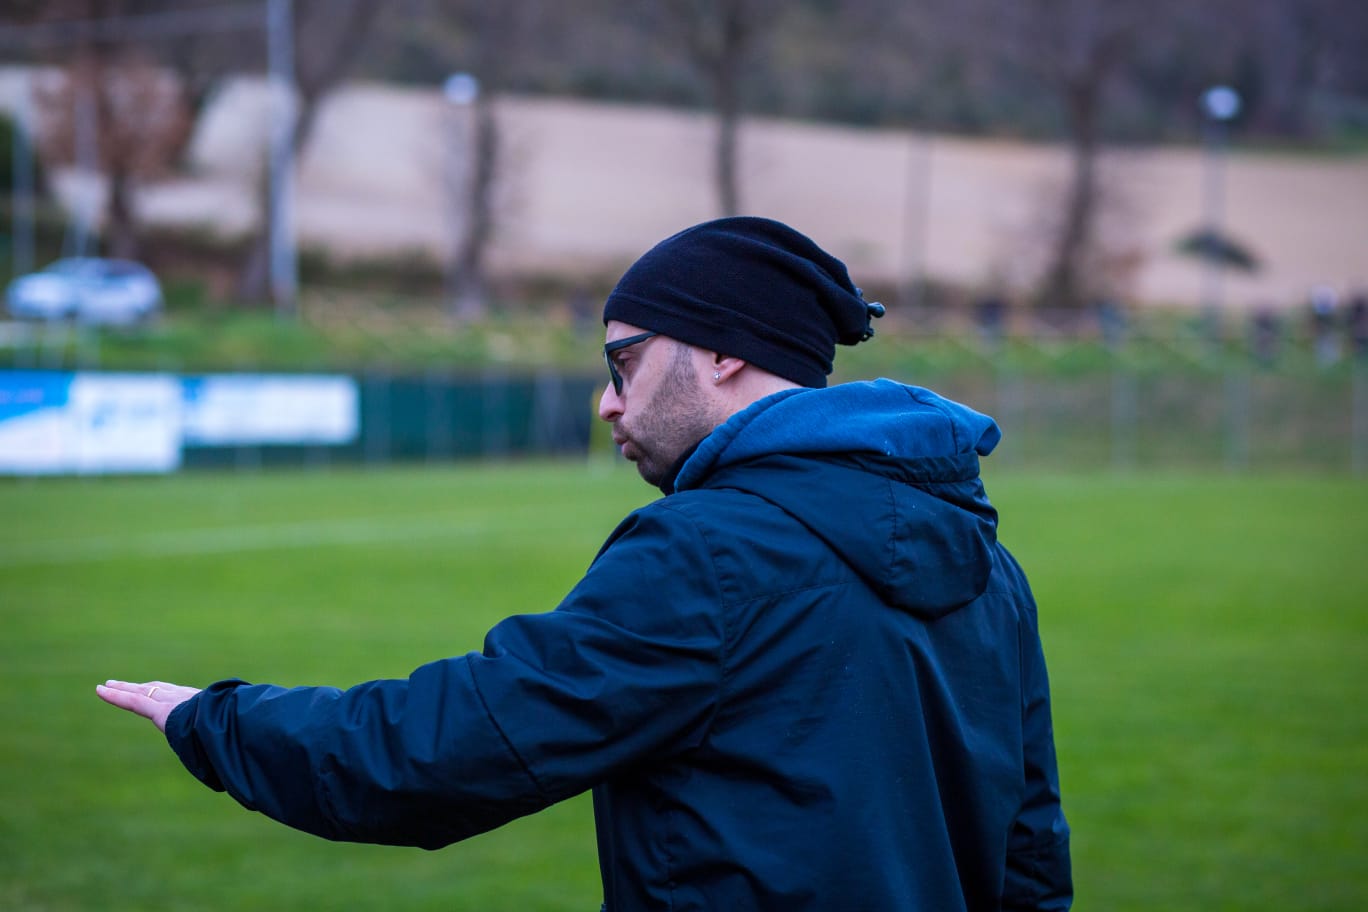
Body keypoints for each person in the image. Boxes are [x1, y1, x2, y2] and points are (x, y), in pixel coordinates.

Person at [98, 217, 1072, 911]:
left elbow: (441, 753)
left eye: (622, 364)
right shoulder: (994, 564)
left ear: (725, 353)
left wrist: (213, 720)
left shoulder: (707, 557)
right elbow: (1032, 859)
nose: (607, 403)